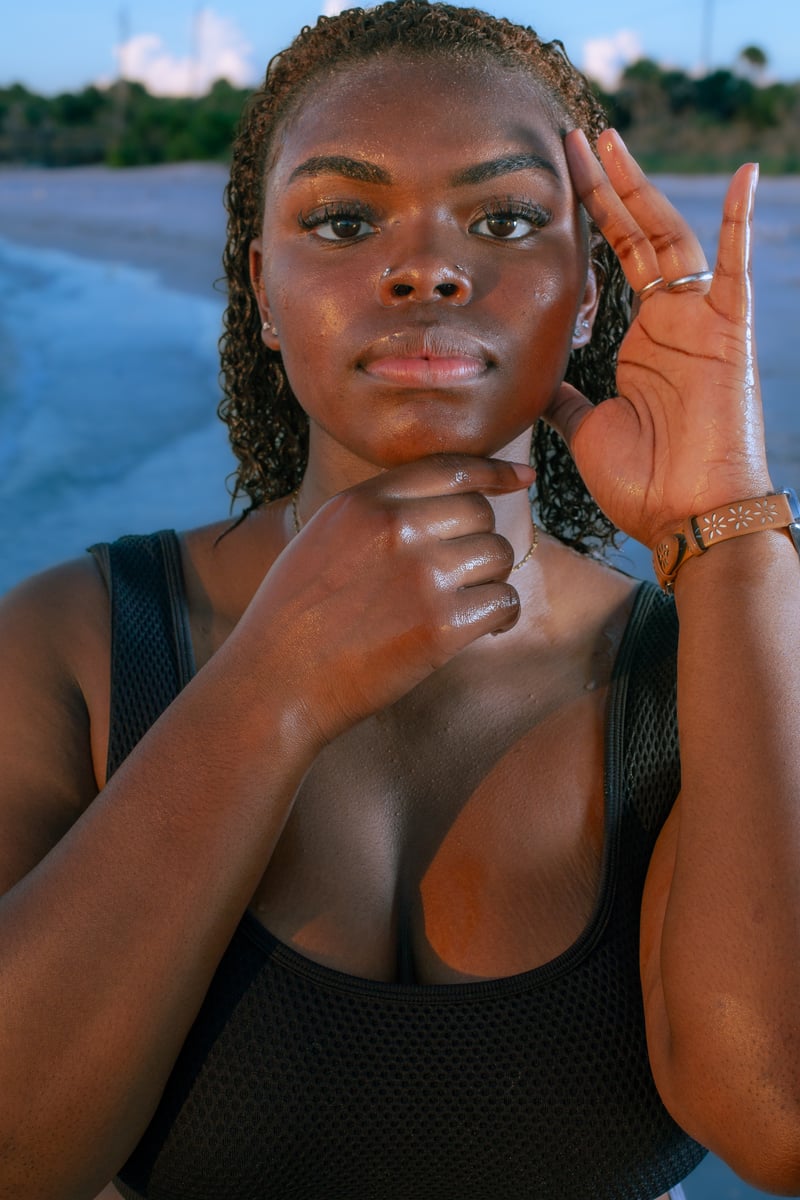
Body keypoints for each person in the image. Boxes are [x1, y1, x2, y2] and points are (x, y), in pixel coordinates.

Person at [1, 2, 799, 1198]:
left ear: (586, 295)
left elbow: (777, 1118)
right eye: (343, 219)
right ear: (263, 291)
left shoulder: (706, 672)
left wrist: (729, 537)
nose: (426, 267)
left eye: (505, 219)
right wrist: (272, 690)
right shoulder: (73, 643)